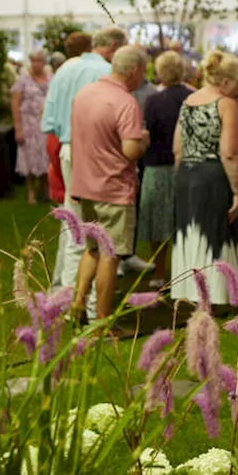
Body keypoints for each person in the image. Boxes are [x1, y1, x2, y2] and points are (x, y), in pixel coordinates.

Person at [42, 27, 135, 284]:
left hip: (67, 149)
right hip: (95, 153)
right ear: (114, 48)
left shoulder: (65, 69)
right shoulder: (106, 75)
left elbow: (48, 120)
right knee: (90, 228)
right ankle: (78, 295)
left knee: (71, 218)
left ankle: (61, 286)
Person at [68, 46, 149, 321]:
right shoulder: (125, 102)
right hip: (113, 188)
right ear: (135, 70)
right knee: (109, 255)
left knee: (92, 249)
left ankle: (78, 305)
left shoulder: (84, 95)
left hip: (84, 185)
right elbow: (130, 150)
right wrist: (144, 140)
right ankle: (102, 321)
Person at [172, 50, 238, 307]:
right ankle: (214, 296)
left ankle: (190, 293)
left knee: (190, 234)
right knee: (216, 235)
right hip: (213, 176)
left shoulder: (188, 101)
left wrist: (181, 177)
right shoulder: (225, 103)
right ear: (225, 81)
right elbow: (229, 152)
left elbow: (177, 148)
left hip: (186, 176)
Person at [138, 51, 190, 283]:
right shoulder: (194, 97)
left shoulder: (154, 101)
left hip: (157, 166)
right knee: (183, 221)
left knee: (158, 223)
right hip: (187, 167)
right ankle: (184, 271)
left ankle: (160, 274)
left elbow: (146, 132)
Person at [47, 31, 92, 205]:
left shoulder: (61, 71)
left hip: (60, 135)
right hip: (80, 137)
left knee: (68, 191)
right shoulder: (88, 70)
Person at [11, 48, 52, 205]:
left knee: (46, 156)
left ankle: (46, 189)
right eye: (34, 61)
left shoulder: (51, 79)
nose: (36, 64)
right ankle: (30, 191)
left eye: (39, 61)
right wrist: (18, 127)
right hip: (28, 123)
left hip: (45, 124)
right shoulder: (23, 80)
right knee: (29, 157)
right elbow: (15, 103)